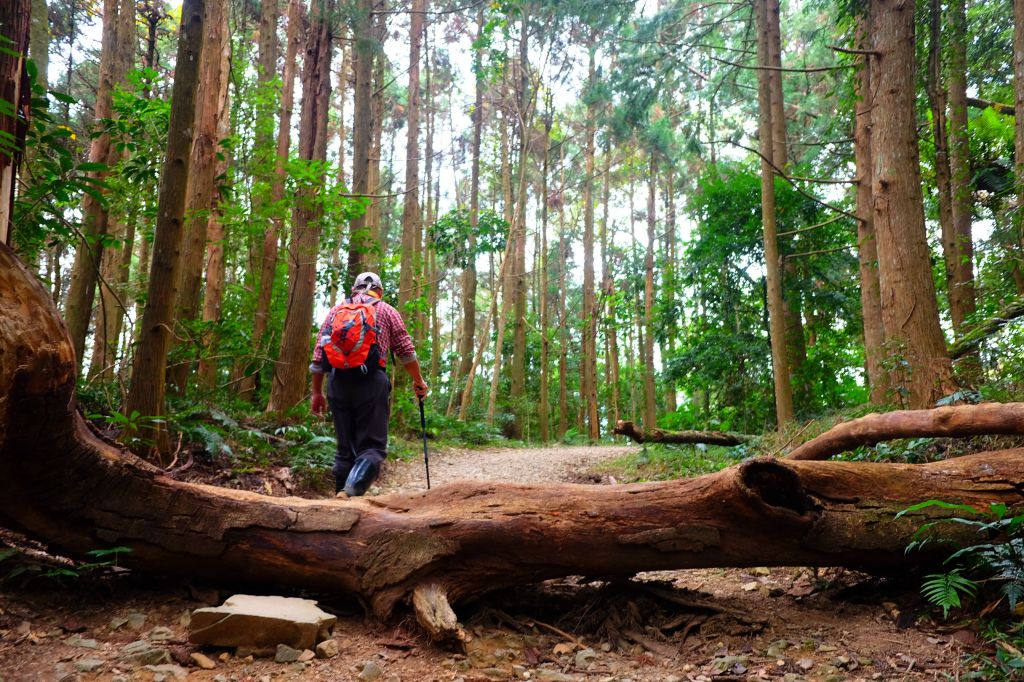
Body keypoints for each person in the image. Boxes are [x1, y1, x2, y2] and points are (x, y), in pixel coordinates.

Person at [310, 271, 428, 496]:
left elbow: (318, 359)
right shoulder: (386, 310)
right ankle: (350, 494)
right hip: (372, 383)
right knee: (372, 448)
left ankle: (339, 500)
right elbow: (406, 352)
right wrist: (419, 382)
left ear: (354, 289)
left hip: (338, 382)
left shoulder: (335, 311)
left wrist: (317, 393)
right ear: (380, 291)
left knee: (345, 451)